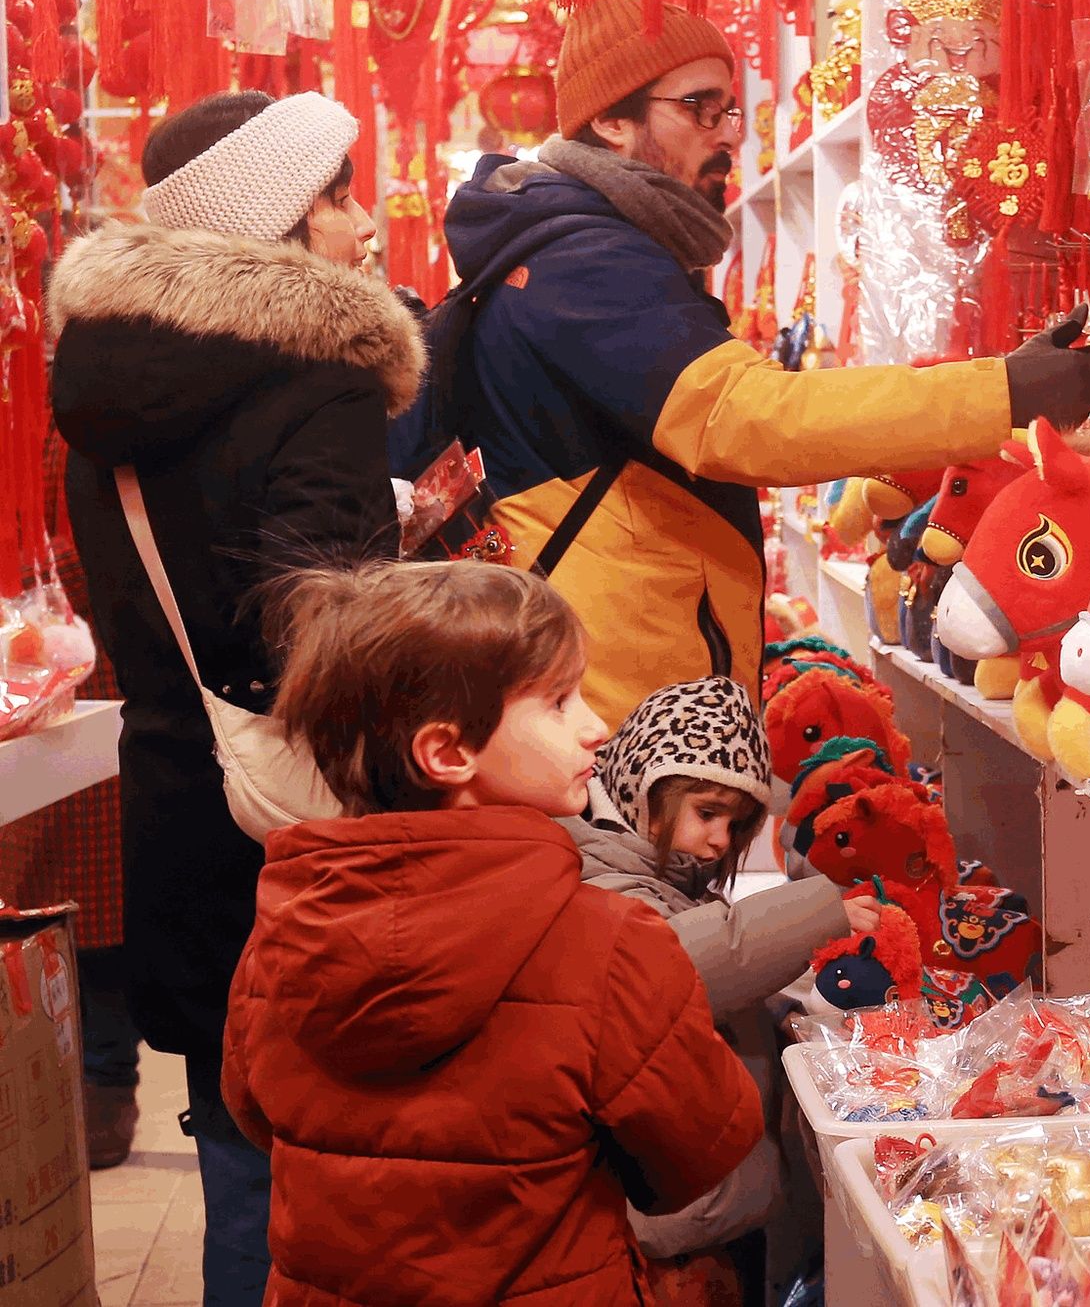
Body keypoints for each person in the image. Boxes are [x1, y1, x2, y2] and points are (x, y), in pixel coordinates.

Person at [394, 0, 1090, 728]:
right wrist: (1003, 393)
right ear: (611, 122)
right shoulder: (587, 262)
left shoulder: (578, 246)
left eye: (731, 111)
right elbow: (745, 418)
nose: (728, 135)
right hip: (612, 704)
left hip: (611, 674)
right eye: (699, 108)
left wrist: (1004, 384)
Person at [48, 89, 411, 1303]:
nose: (365, 224)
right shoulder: (321, 383)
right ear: (281, 217)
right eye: (341, 196)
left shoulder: (112, 388)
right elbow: (320, 632)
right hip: (307, 823)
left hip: (180, 799)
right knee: (335, 1172)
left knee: (238, 1153)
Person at [223, 560, 762, 1305]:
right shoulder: (609, 943)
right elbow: (696, 1152)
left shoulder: (282, 934)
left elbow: (256, 1112)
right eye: (559, 701)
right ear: (448, 752)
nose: (596, 726)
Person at [563, 675, 881, 1302]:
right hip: (671, 1215)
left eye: (735, 826)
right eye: (706, 813)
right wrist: (820, 913)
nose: (719, 840)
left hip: (698, 1195)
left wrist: (784, 1012)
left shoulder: (659, 881)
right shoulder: (602, 880)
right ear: (641, 791)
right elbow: (684, 962)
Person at [0, 434, 142, 1170]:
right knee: (41, 906)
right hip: (30, 695)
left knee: (93, 916)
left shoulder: (70, 430)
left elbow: (89, 563)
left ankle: (107, 1080)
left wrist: (27, 589)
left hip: (84, 687)